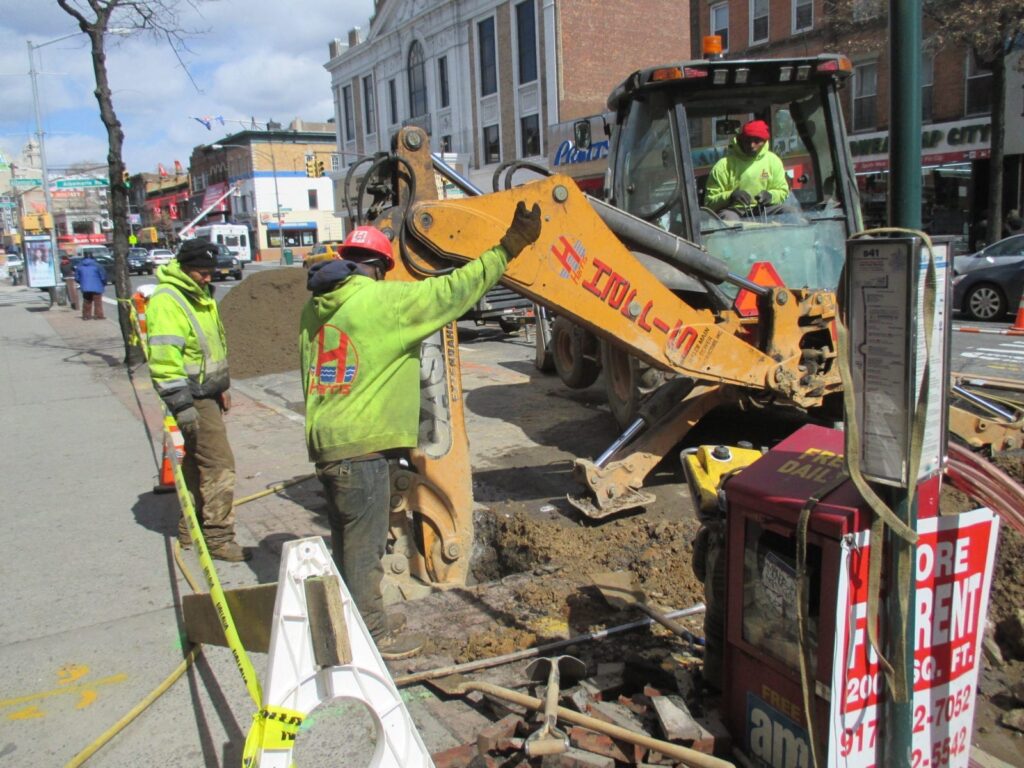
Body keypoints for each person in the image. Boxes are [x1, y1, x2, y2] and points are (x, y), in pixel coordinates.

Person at [299, 202, 543, 660]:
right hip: (363, 450)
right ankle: (374, 636)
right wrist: (509, 246)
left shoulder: (314, 309)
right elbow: (454, 291)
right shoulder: (383, 301)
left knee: (347, 543)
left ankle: (353, 620)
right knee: (365, 551)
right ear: (379, 268)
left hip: (328, 444)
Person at [147, 239, 249, 562]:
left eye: (210, 272)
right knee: (219, 465)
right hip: (192, 398)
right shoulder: (169, 301)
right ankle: (218, 538)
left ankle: (190, 528)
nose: (207, 278)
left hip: (206, 394)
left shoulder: (200, 295)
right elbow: (165, 361)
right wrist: (182, 405)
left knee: (196, 464)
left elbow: (208, 351)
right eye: (201, 272)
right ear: (184, 267)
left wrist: (220, 387)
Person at [704, 119, 790, 220]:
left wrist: (770, 196)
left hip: (765, 210)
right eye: (747, 140)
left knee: (790, 212)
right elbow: (709, 202)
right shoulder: (724, 165)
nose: (752, 145)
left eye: (757, 141)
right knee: (728, 218)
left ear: (764, 141)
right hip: (734, 210)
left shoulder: (773, 161)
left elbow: (783, 191)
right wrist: (730, 196)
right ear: (741, 139)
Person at [74, 253, 106, 319]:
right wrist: (103, 283)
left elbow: (77, 278)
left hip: (85, 287)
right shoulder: (97, 265)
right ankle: (98, 315)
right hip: (97, 286)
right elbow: (103, 276)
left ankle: (86, 316)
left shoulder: (79, 266)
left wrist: (82, 282)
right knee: (98, 302)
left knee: (87, 301)